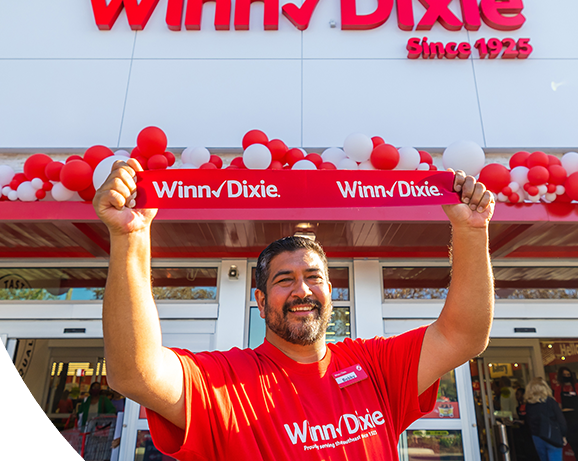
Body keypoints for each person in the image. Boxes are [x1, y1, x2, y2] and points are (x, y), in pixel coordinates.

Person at [95, 159, 495, 460]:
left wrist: (471, 232)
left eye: (313, 277)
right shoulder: (222, 381)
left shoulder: (375, 365)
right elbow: (135, 372)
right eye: (284, 280)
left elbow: (463, 336)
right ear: (259, 301)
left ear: (331, 291)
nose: (302, 290)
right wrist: (130, 237)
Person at [525, 377, 567, 461]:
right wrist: (563, 435)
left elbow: (529, 422)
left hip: (537, 436)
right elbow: (561, 420)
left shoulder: (529, 404)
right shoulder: (550, 401)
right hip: (553, 435)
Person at [554, 366, 578, 458]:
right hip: (567, 419)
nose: (567, 376)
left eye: (568, 374)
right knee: (574, 444)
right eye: (564, 375)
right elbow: (559, 405)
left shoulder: (576, 387)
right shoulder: (558, 389)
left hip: (577, 416)